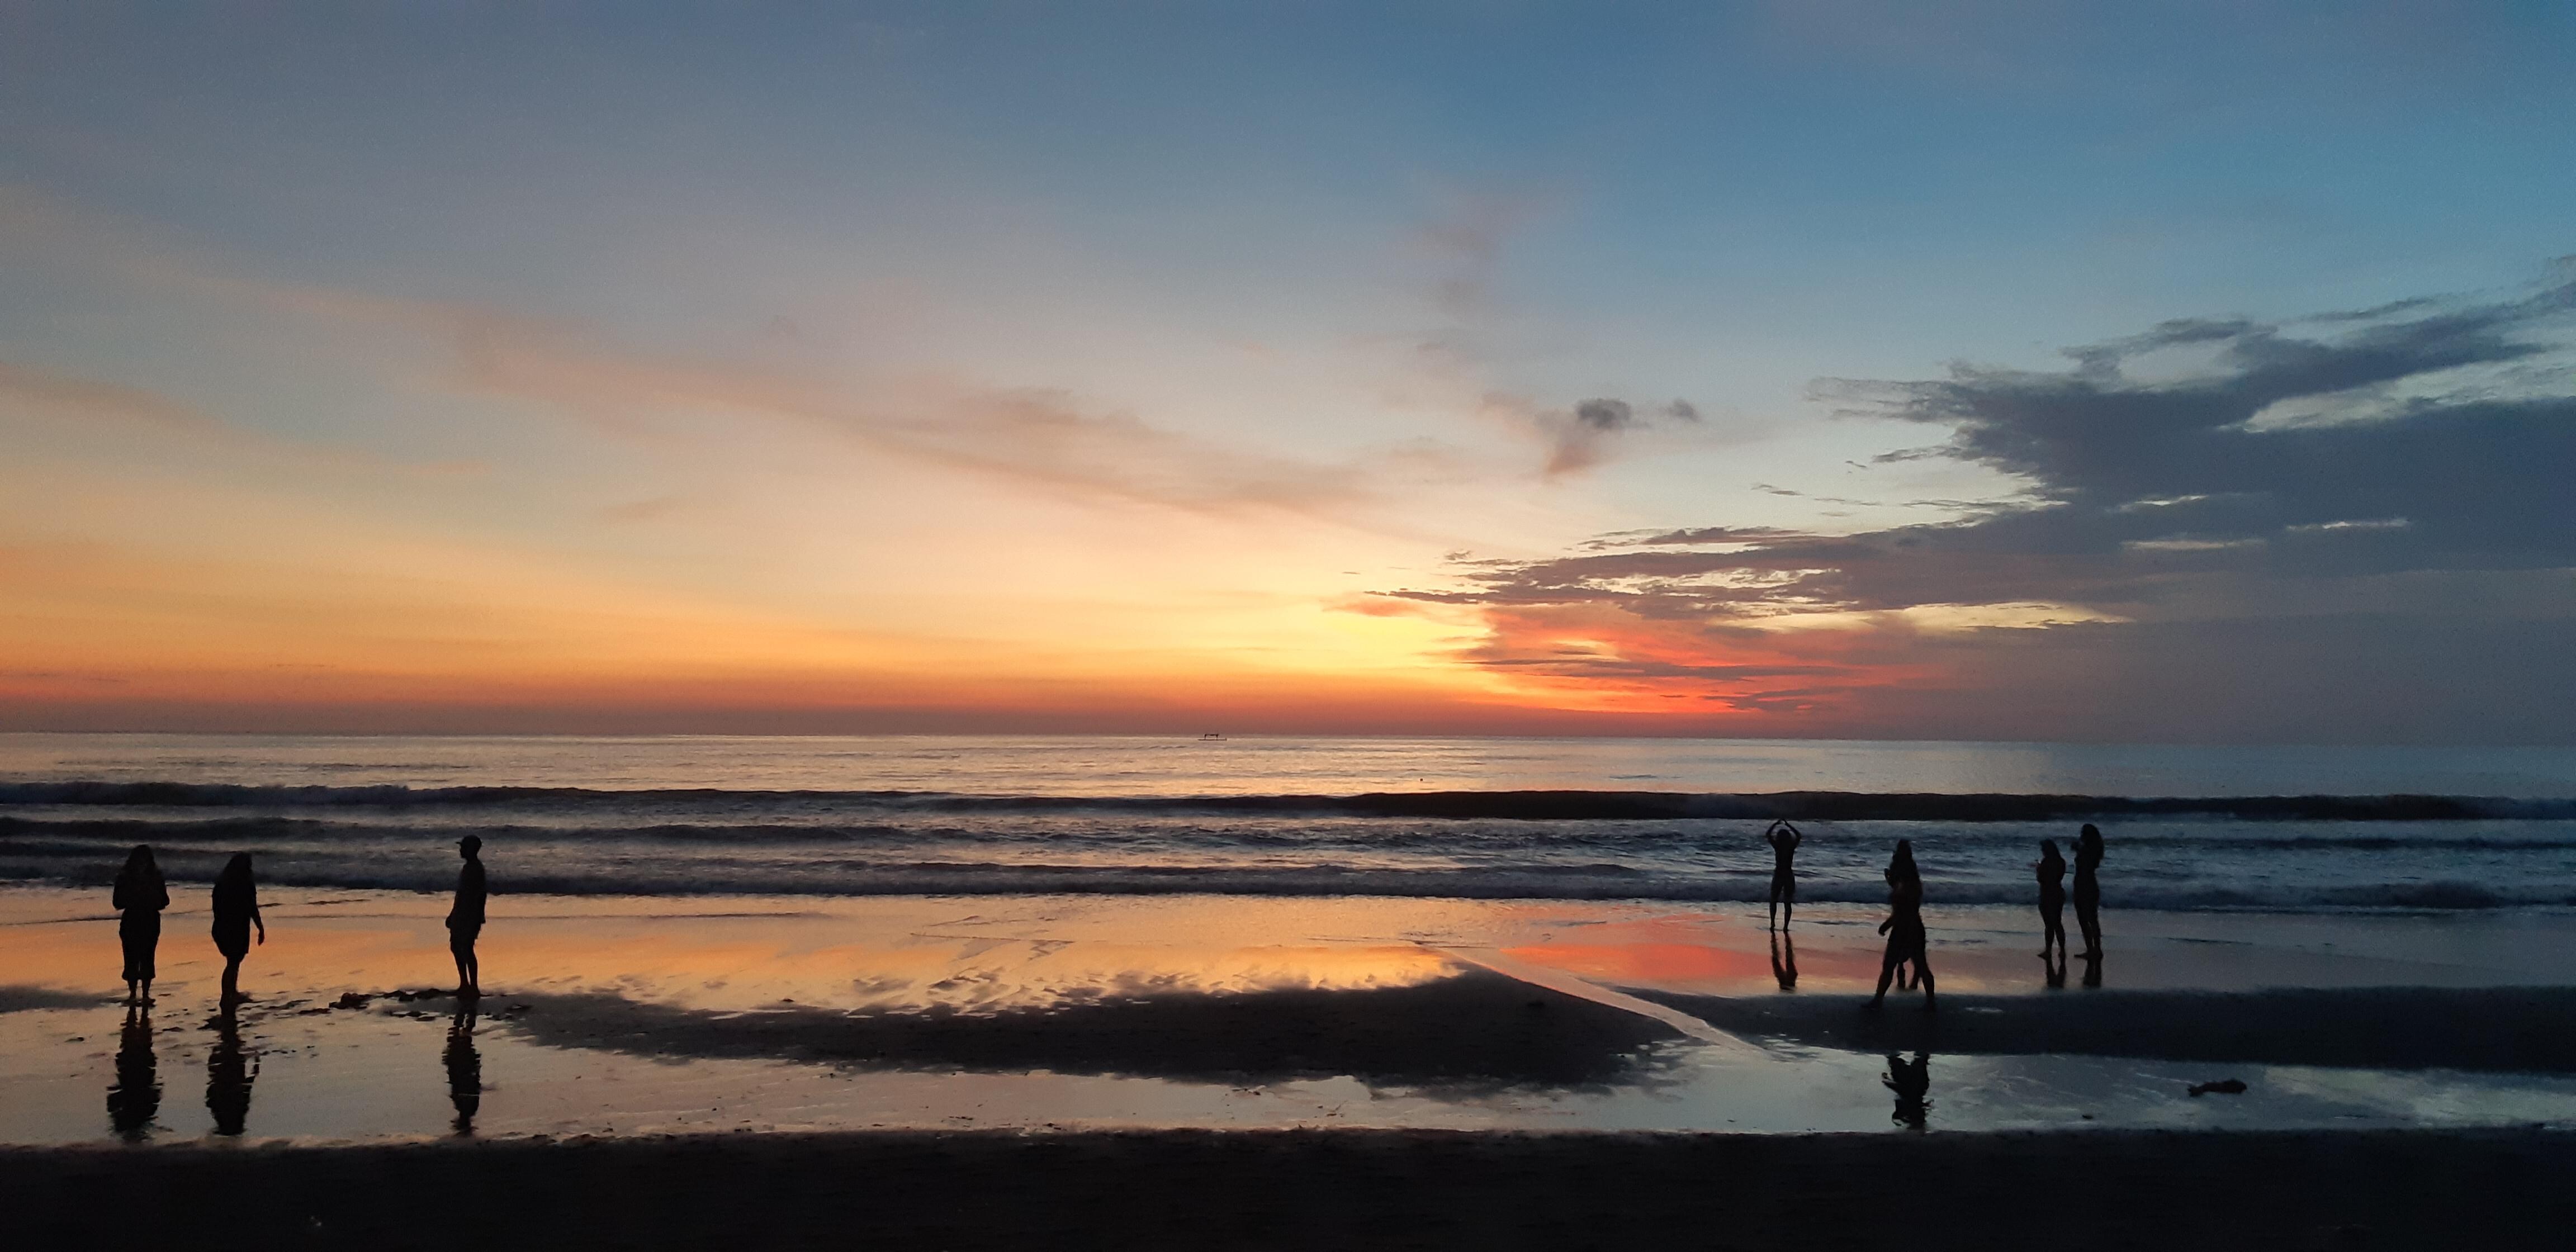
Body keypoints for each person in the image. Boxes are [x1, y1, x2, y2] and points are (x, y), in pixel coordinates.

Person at [1869, 840, 1935, 1009]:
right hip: (1912, 926)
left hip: (1906, 928)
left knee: (1892, 965)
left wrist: (1887, 924)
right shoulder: (1912, 883)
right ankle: (1930, 1002)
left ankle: (1878, 1000)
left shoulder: (1905, 885)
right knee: (1919, 964)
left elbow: (1903, 911)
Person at [111, 845, 168, 1006]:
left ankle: (144, 994)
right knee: (131, 958)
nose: (142, 864)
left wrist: (149, 897)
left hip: (149, 920)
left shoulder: (156, 877)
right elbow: (117, 902)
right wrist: (137, 897)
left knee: (147, 957)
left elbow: (165, 901)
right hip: (132, 920)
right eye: (139, 860)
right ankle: (133, 994)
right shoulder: (125, 878)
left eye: (144, 860)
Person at [210, 853, 265, 1005]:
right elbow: (252, 908)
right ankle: (227, 996)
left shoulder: (222, 883)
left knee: (233, 962)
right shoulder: (246, 883)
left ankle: (231, 993)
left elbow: (216, 907)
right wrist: (260, 928)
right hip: (237, 927)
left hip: (222, 926)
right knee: (233, 963)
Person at [448, 835, 486, 998]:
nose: (461, 850)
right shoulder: (470, 868)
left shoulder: (475, 869)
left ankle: (473, 986)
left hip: (469, 915)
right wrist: (453, 914)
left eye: (463, 847)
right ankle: (465, 983)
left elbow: (479, 895)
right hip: (462, 913)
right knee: (457, 947)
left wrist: (478, 916)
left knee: (466, 948)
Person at [2072, 823, 2106, 961]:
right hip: (2090, 884)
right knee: (2092, 918)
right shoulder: (2094, 850)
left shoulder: (2087, 851)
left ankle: (2092, 949)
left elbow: (2084, 864)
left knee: (2085, 919)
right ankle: (2095, 949)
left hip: (2084, 885)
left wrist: (2078, 850)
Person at [1762, 819, 1803, 929]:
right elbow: (1799, 836)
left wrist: (1775, 824)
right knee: (1787, 902)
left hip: (1779, 874)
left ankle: (1772, 923)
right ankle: (1785, 926)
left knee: (1773, 900)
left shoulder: (1778, 847)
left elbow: (1768, 835)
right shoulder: (1791, 847)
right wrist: (1789, 826)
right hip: (1789, 874)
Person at [2034, 838, 2068, 966]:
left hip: (2047, 894)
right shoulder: (2061, 862)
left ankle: (2049, 950)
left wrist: (2039, 869)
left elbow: (2041, 879)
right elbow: (2059, 877)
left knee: (2049, 925)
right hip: (2058, 892)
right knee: (2058, 922)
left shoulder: (2046, 862)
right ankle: (2062, 950)